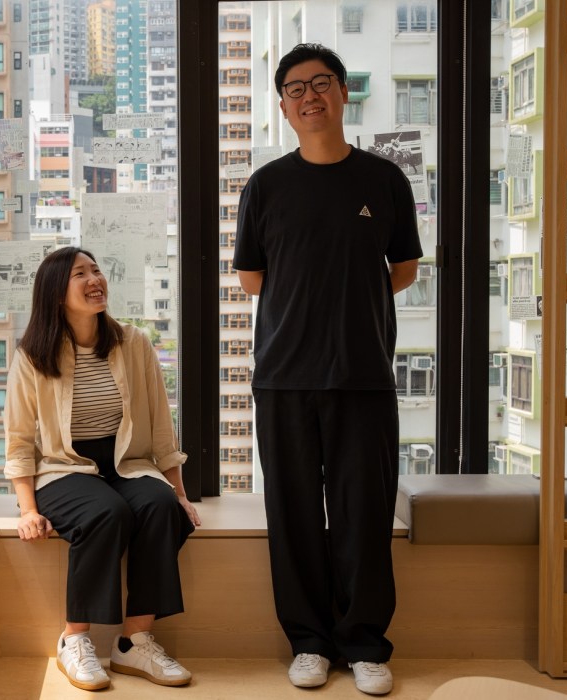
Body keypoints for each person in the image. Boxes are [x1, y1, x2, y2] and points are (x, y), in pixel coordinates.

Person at [233, 44, 422, 696]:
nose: (308, 96)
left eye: (320, 83)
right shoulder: (266, 185)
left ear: (342, 93)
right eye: (294, 89)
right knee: (292, 516)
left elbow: (405, 267)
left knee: (362, 514)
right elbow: (252, 277)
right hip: (283, 377)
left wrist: (348, 306)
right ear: (283, 108)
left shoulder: (384, 179)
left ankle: (364, 643)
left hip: (364, 375)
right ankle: (309, 642)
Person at [4, 246, 201, 692]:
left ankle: (134, 642)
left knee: (158, 506)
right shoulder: (33, 354)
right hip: (62, 467)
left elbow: (161, 425)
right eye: (81, 274)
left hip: (126, 461)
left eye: (96, 271)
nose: (95, 280)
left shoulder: (134, 342)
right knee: (106, 513)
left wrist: (179, 492)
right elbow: (18, 439)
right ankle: (74, 639)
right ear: (57, 293)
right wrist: (27, 510)